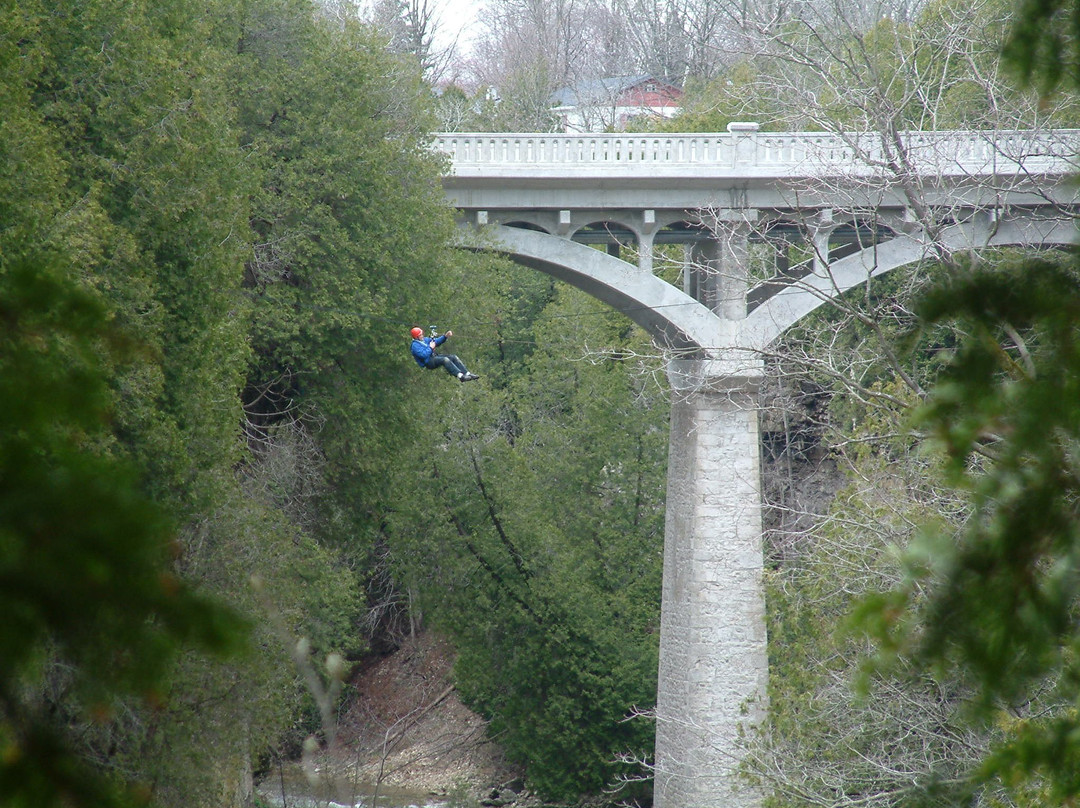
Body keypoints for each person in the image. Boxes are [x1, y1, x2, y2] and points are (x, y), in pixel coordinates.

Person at [410, 326, 479, 382]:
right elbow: (423, 355)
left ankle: (467, 373)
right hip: (428, 362)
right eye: (420, 335)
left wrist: (445, 336)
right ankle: (460, 376)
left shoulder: (425, 340)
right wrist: (430, 348)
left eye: (422, 334)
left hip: (434, 357)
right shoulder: (415, 346)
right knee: (445, 360)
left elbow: (436, 341)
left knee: (453, 357)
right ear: (416, 337)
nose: (422, 336)